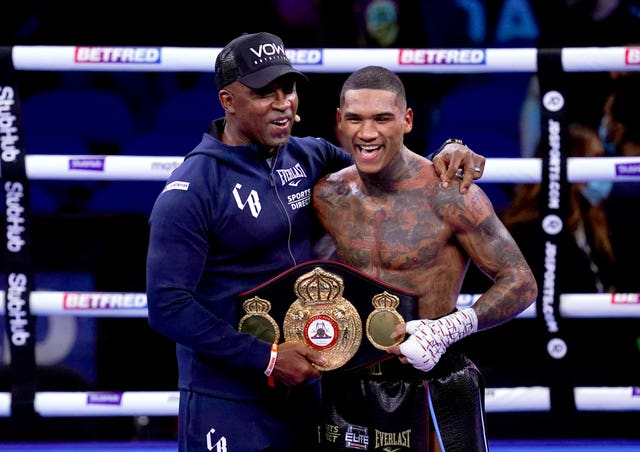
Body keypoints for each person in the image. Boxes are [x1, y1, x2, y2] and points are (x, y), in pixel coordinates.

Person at [145, 32, 487, 452]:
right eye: (263, 93)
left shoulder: (311, 157)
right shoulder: (193, 187)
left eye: (287, 88)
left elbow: (393, 170)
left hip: (310, 393)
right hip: (228, 400)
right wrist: (266, 357)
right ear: (228, 101)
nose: (282, 102)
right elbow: (166, 306)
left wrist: (449, 151)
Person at [312, 66, 538, 451]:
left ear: (407, 119)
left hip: (432, 380)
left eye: (382, 118)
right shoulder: (326, 195)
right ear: (339, 122)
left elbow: (521, 281)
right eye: (355, 119)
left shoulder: (449, 194)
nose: (367, 132)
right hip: (348, 380)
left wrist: (450, 327)